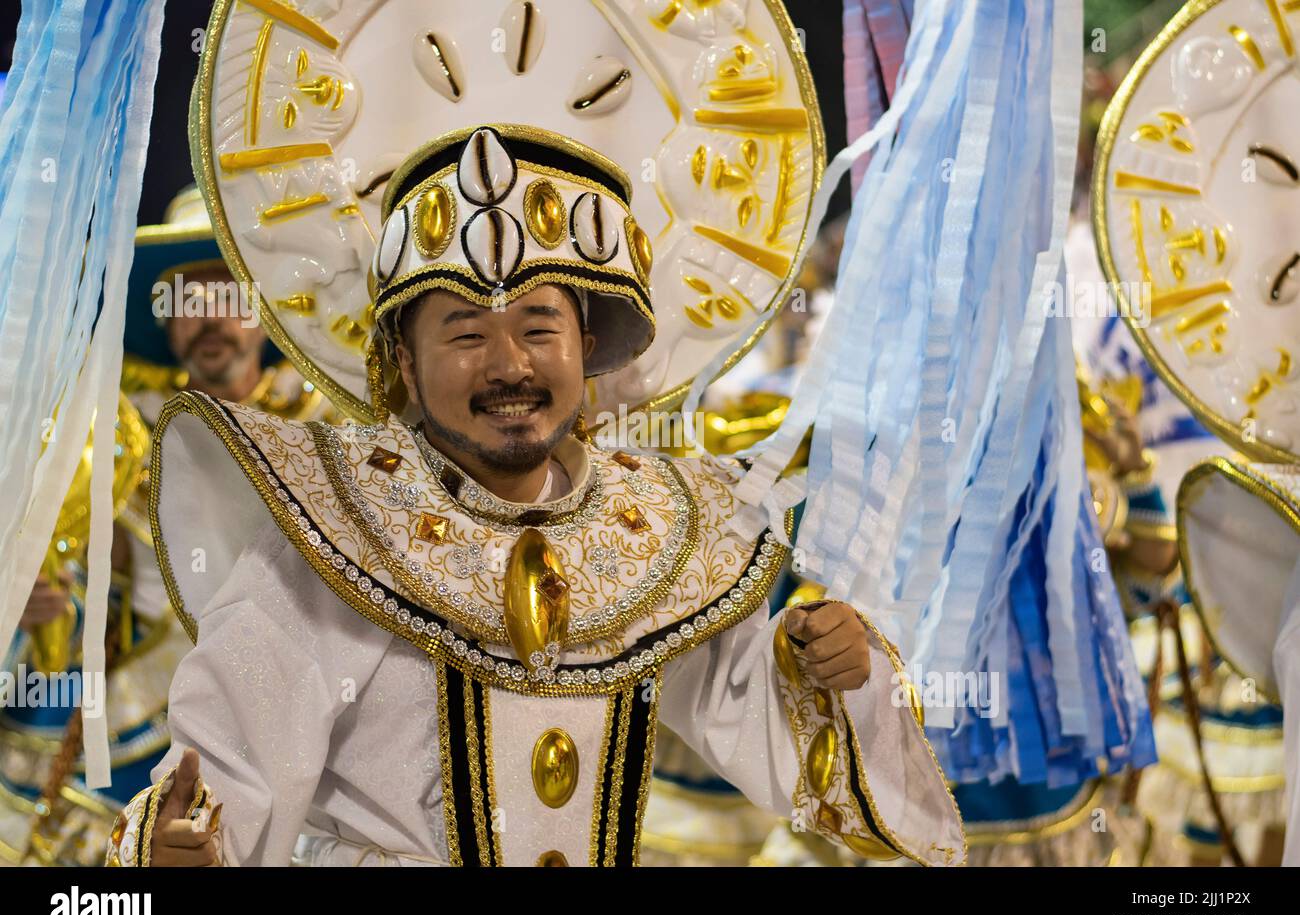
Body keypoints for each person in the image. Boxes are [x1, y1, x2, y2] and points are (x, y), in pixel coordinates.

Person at [105, 124, 964, 868]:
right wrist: (180, 845)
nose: (510, 365)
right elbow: (223, 779)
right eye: (468, 334)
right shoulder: (328, 540)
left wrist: (824, 666)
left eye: (539, 330)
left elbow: (767, 729)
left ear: (585, 350)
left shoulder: (664, 532)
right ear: (404, 362)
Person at [0, 187, 330, 866]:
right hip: (129, 729)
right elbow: (54, 551)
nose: (210, 320)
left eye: (229, 296)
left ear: (266, 314)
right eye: (189, 302)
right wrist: (28, 593)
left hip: (300, 725)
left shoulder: (331, 435)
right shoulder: (113, 431)